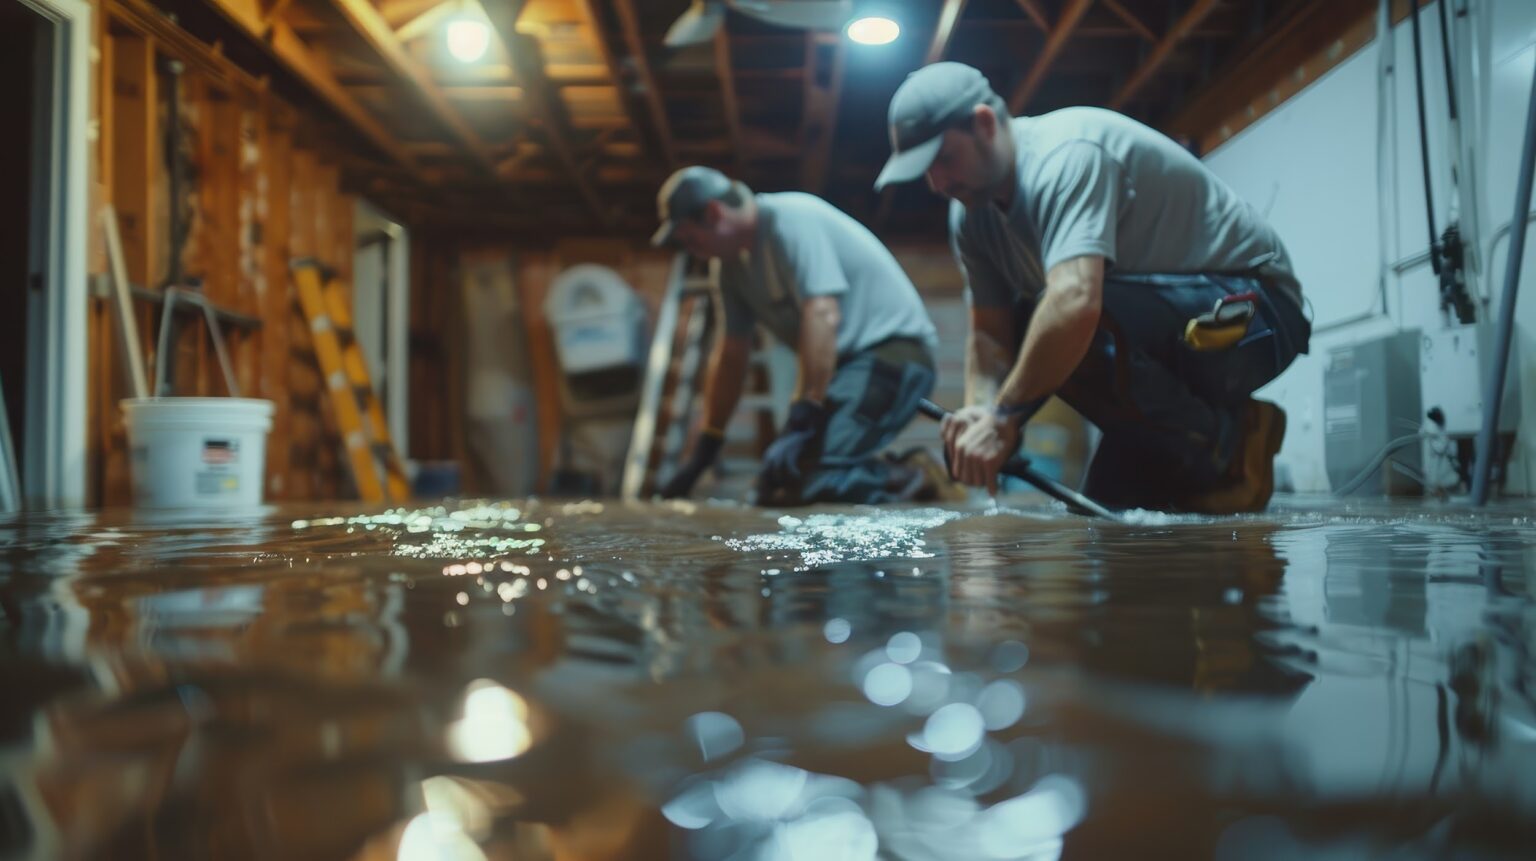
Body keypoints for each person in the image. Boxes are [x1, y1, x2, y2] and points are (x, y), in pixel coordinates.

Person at [873, 62, 1311, 513]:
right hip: (1168, 333)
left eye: (943, 160)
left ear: (984, 124)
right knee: (1102, 511)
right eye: (927, 171)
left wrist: (1005, 419)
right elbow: (989, 335)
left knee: (1058, 313)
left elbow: (1076, 302)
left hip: (1258, 318)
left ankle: (1231, 441)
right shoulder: (970, 217)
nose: (938, 183)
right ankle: (1196, 453)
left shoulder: (1066, 155)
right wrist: (980, 413)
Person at [651, 166, 940, 505]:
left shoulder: (791, 220)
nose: (693, 252)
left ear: (715, 214)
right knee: (774, 489)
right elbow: (731, 355)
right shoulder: (729, 269)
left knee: (821, 482)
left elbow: (822, 313)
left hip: (894, 355)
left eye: (691, 240)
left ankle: (915, 476)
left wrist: (803, 415)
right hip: (844, 373)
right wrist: (705, 449)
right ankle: (878, 475)